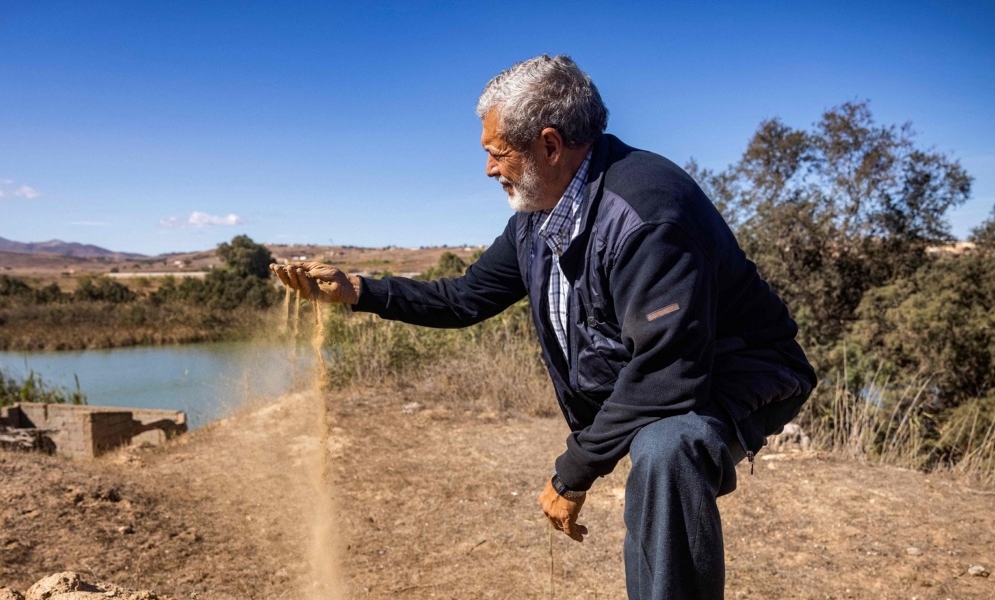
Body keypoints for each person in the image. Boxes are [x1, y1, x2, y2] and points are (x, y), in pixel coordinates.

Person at [271, 54, 816, 600]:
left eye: (497, 152)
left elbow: (666, 374)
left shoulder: (647, 215)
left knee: (667, 448)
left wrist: (573, 473)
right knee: (655, 451)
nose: (489, 169)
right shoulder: (537, 218)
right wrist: (357, 289)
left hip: (743, 368)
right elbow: (464, 298)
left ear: (550, 146)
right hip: (666, 373)